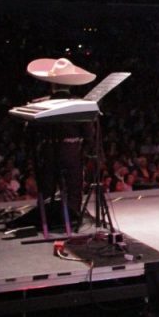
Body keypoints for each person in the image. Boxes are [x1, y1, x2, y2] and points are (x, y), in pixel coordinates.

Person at [25, 58, 97, 226]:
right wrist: (89, 153)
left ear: (52, 84)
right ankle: (73, 218)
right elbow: (88, 134)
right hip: (71, 153)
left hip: (47, 152)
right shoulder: (80, 105)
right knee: (73, 188)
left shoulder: (38, 104)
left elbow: (29, 132)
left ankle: (46, 220)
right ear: (70, 84)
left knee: (47, 187)